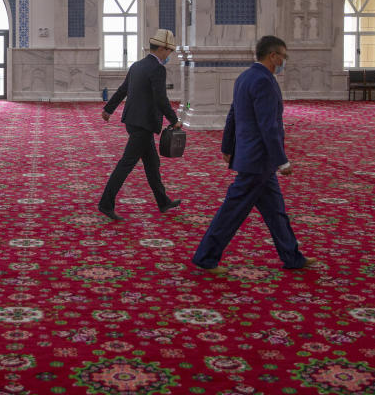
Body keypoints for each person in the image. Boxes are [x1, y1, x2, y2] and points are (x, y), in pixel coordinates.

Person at [191, 35, 318, 275]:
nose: (284, 61)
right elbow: (268, 126)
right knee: (232, 212)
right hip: (258, 161)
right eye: (283, 56)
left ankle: (292, 256)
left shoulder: (244, 77)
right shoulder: (264, 81)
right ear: (273, 56)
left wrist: (227, 146)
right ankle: (205, 257)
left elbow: (233, 115)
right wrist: (282, 160)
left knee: (276, 211)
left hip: (255, 160)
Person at [98, 28, 183, 221]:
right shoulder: (157, 69)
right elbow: (161, 99)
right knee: (126, 164)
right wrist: (174, 120)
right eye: (169, 52)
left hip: (133, 121)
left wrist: (108, 109)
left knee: (152, 164)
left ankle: (163, 201)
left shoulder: (137, 65)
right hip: (144, 124)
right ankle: (105, 203)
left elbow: (123, 90)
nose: (168, 55)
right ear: (162, 49)